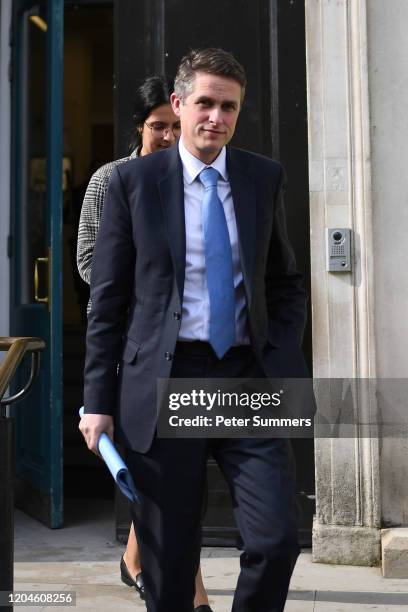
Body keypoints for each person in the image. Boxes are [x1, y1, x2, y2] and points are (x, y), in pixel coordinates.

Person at [80, 48, 312, 612]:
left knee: (276, 539)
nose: (216, 117)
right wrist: (96, 401)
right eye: (204, 103)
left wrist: (277, 355)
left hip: (244, 381)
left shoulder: (262, 177)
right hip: (163, 382)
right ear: (179, 105)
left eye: (228, 107)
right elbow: (108, 301)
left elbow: (285, 281)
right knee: (169, 559)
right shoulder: (133, 183)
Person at [77, 75, 212, 612]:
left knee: (177, 478)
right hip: (132, 346)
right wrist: (153, 290)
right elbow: (89, 263)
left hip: (190, 349)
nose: (167, 135)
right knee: (164, 479)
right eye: (159, 127)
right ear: (140, 127)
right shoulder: (113, 180)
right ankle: (192, 595)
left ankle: (138, 559)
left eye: (174, 127)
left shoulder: (198, 175)